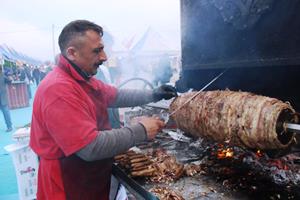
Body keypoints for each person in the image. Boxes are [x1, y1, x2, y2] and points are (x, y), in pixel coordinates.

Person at [29, 20, 177, 200]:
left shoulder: (81, 79)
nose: (104, 57)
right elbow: (90, 147)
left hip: (88, 179)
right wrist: (141, 130)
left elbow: (116, 95)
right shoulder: (59, 90)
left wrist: (154, 94)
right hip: (67, 185)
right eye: (97, 51)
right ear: (72, 53)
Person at [0, 65, 13, 132]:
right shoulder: (2, 75)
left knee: (6, 113)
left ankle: (9, 126)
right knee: (6, 113)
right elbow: (10, 81)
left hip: (2, 98)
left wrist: (9, 76)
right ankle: (9, 126)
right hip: (2, 98)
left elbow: (10, 81)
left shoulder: (3, 76)